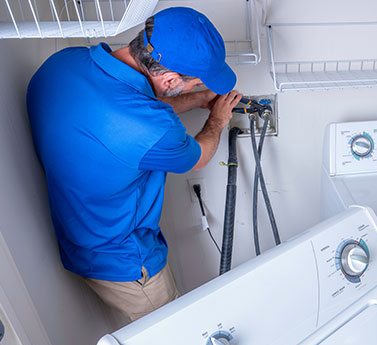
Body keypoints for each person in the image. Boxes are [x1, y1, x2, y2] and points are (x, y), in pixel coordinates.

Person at [27, 7, 241, 322]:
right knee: (174, 341)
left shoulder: (61, 64)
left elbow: (131, 104)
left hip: (82, 236)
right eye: (196, 84)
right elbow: (199, 156)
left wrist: (195, 99)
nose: (197, 88)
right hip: (127, 262)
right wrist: (218, 120)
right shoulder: (155, 129)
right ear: (169, 78)